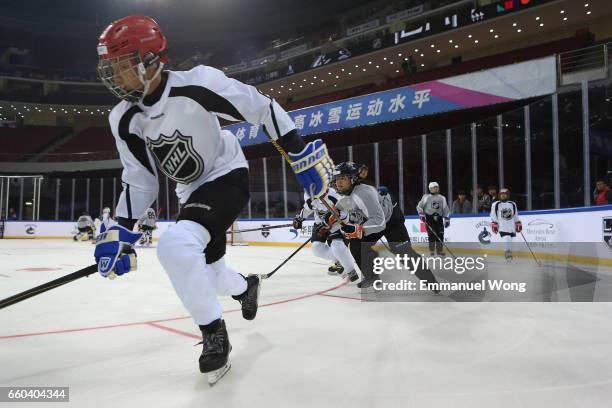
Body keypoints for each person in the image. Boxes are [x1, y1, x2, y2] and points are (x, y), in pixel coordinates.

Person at [94, 15, 334, 384]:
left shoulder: (198, 84)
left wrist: (297, 152)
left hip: (226, 174)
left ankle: (213, 333)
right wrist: (119, 234)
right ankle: (246, 287)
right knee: (211, 273)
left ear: (150, 60)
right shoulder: (123, 119)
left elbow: (261, 107)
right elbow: (141, 181)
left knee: (175, 246)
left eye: (122, 66)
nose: (114, 76)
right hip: (189, 191)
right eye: (111, 67)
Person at [332, 162, 439, 290]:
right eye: (337, 179)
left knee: (403, 252)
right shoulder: (344, 198)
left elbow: (379, 223)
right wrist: (330, 218)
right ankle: (372, 277)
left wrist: (358, 229)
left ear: (353, 178)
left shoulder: (363, 193)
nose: (338, 182)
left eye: (342, 178)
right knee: (356, 245)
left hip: (390, 219)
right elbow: (340, 211)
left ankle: (431, 281)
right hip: (374, 220)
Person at [292, 188, 358, 282]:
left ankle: (350, 270)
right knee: (316, 249)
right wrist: (299, 218)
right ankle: (340, 259)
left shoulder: (334, 195)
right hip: (320, 223)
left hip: (337, 225)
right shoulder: (309, 193)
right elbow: (308, 208)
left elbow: (345, 214)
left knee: (337, 246)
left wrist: (329, 221)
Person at [417, 182, 450, 256]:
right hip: (429, 219)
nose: (436, 188)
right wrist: (421, 214)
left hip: (439, 219)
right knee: (431, 235)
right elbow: (419, 207)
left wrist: (447, 218)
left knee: (440, 234)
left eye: (437, 187)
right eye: (434, 187)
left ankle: (439, 251)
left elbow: (445, 209)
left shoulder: (442, 198)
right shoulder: (426, 197)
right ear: (430, 189)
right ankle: (431, 251)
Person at [490, 188, 521, 261]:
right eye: (501, 195)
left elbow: (515, 215)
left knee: (510, 239)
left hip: (511, 226)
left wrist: (518, 222)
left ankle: (508, 251)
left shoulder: (513, 204)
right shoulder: (496, 204)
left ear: (508, 195)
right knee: (506, 238)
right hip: (502, 226)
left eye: (505, 195)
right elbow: (493, 215)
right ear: (499, 195)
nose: (503, 196)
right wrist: (494, 223)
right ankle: (507, 252)